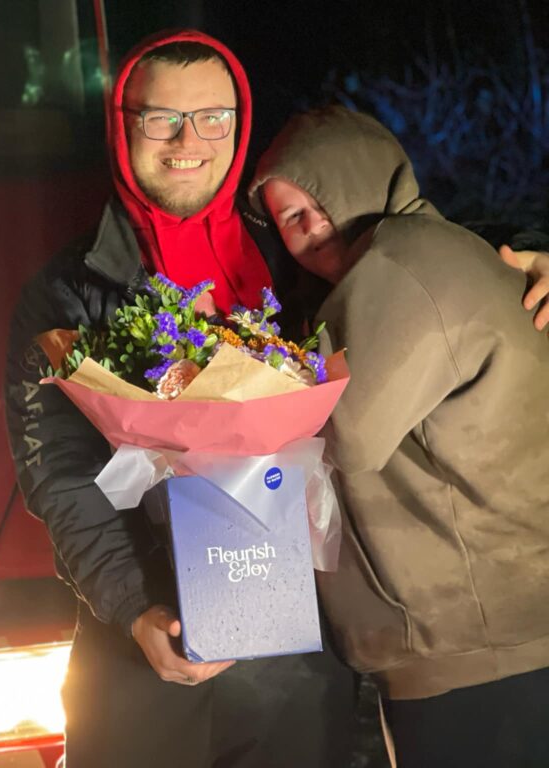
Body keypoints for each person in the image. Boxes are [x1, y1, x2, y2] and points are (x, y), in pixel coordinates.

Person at [4, 30, 355, 768]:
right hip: (143, 651)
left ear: (241, 125)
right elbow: (58, 473)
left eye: (212, 118)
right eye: (161, 119)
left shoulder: (299, 261)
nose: (187, 141)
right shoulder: (67, 291)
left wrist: (528, 259)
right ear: (122, 126)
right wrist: (133, 608)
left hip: (296, 650)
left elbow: (422, 266)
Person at [250, 105, 549, 768]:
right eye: (287, 222)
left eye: (312, 205)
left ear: (358, 178)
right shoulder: (441, 252)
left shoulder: (400, 263)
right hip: (498, 639)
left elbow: (338, 434)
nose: (305, 234)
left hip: (475, 656)